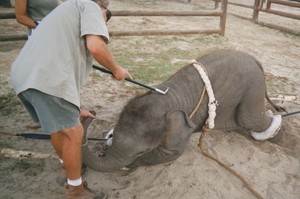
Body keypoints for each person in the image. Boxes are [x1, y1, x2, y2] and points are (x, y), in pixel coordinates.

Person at [11, 0, 131, 198]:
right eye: (106, 17)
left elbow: (61, 67)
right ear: (101, 6)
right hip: (44, 78)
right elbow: (96, 46)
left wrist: (76, 109)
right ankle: (76, 190)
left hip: (25, 76)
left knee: (60, 127)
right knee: (73, 134)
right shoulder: (90, 6)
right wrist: (116, 69)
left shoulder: (64, 13)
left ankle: (69, 172)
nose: (104, 24)